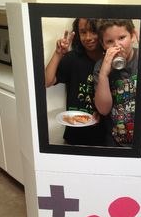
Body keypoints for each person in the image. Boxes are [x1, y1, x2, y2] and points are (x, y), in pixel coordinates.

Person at [45, 18, 106, 146]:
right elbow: (46, 81)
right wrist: (58, 54)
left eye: (93, 31)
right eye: (83, 32)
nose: (88, 37)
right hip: (74, 134)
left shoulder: (110, 60)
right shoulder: (73, 58)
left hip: (104, 136)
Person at [93, 19, 138, 147]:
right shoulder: (100, 66)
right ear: (103, 44)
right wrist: (104, 74)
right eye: (110, 41)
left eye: (122, 37)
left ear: (133, 36)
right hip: (115, 142)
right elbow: (103, 109)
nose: (117, 46)